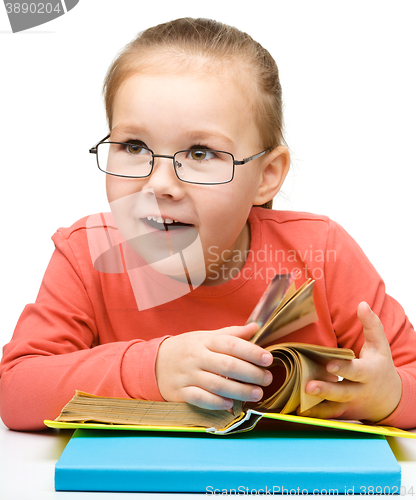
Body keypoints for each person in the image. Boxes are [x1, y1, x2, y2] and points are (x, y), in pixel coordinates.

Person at [1, 18, 415, 432]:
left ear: (267, 175)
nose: (160, 184)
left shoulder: (323, 252)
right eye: (133, 146)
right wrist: (155, 369)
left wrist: (388, 396)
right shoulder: (85, 254)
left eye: (200, 153)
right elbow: (16, 392)